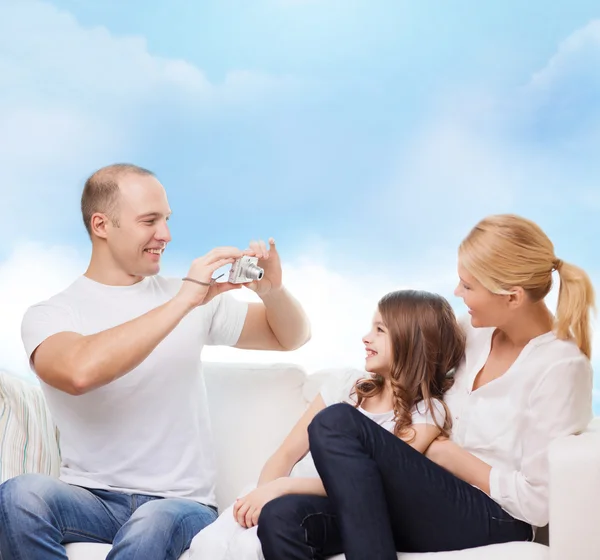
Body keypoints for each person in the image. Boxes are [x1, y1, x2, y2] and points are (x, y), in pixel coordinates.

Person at [0, 163, 311, 560]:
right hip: (91, 499)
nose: (164, 234)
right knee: (19, 496)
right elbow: (79, 372)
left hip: (181, 506)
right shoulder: (51, 315)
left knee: (151, 525)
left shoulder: (194, 300)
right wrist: (181, 301)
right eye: (150, 221)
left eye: (166, 219)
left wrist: (274, 291)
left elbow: (291, 337)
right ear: (102, 225)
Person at [257, 214, 595, 560]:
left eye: (468, 286)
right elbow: (410, 355)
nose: (456, 292)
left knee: (335, 422)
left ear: (512, 297)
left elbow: (536, 504)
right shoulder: (473, 331)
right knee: (281, 519)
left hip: (493, 515)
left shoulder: (560, 367)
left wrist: (449, 455)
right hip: (426, 493)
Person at [188, 289, 466, 560]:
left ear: (412, 341)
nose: (366, 338)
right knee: (218, 544)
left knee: (280, 521)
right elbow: (285, 455)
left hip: (332, 508)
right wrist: (264, 493)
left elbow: (367, 485)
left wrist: (283, 488)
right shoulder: (346, 386)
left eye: (380, 330)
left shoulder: (427, 413)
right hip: (281, 494)